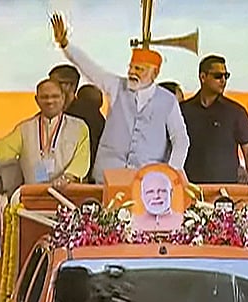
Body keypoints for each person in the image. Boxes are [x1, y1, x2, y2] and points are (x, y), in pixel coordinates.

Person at [51, 13, 189, 182]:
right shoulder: (117, 87)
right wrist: (65, 45)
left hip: (147, 182)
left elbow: (180, 139)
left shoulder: (168, 101)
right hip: (108, 177)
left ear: (155, 73)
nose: (132, 72)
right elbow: (90, 68)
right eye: (131, 67)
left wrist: (171, 172)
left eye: (139, 69)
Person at [0, 79, 90, 189]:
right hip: (33, 197)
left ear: (63, 98)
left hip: (67, 196)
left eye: (55, 96)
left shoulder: (79, 127)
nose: (50, 101)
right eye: (44, 97)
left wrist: (66, 178)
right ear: (37, 100)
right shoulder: (24, 129)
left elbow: (81, 163)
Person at [180, 55, 248, 186]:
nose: (223, 80)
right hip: (189, 187)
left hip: (226, 189)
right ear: (203, 77)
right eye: (218, 76)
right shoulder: (182, 110)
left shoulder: (235, 112)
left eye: (226, 76)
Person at [49, 64, 106, 168]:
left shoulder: (87, 116)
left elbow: (91, 155)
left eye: (53, 84)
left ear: (69, 86)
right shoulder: (53, 114)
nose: (48, 88)